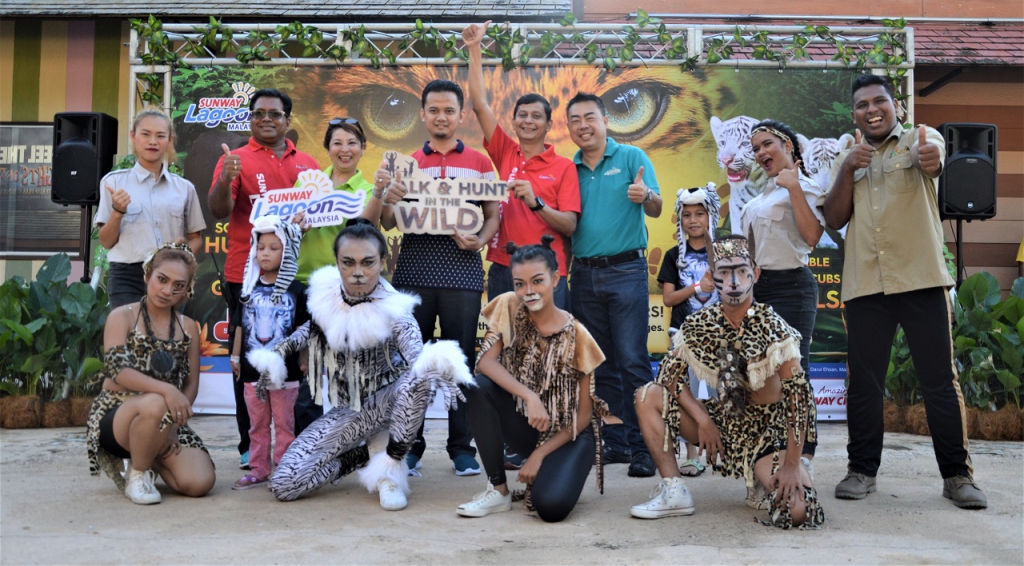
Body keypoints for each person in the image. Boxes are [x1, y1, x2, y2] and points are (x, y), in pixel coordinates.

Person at [822, 74, 986, 509]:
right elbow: (835, 218)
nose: (872, 110)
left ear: (896, 107)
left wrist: (928, 157)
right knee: (863, 385)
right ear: (854, 112)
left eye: (880, 102)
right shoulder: (846, 152)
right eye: (862, 105)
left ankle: (957, 477)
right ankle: (861, 472)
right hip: (865, 285)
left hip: (922, 279)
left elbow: (933, 159)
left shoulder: (920, 136)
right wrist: (847, 168)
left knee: (939, 382)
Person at [250, 220, 474, 510]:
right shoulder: (327, 294)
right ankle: (363, 456)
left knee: (418, 378)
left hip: (392, 404)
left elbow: (418, 359)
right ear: (337, 263)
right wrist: (277, 355)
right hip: (351, 411)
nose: (357, 272)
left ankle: (391, 464)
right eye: (348, 263)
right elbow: (311, 329)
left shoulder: (395, 309)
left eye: (367, 263)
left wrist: (437, 368)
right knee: (286, 484)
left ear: (382, 262)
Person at [632, 235, 824, 529]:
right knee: (647, 396)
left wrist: (791, 465)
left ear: (755, 274)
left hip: (768, 434)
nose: (733, 280)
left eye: (741, 270)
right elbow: (669, 377)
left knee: (797, 512)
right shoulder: (700, 323)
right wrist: (703, 419)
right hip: (722, 422)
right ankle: (674, 490)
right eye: (723, 272)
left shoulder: (775, 329)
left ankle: (775, 475)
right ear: (711, 277)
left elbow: (800, 402)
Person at [380, 79, 497, 477]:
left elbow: (493, 214)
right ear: (423, 114)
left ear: (461, 115)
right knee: (412, 365)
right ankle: (410, 446)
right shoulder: (407, 162)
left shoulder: (480, 162)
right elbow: (385, 220)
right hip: (413, 272)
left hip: (462, 274)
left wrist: (479, 241)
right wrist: (388, 198)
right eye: (434, 110)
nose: (441, 117)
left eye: (449, 110)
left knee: (458, 363)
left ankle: (461, 448)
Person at [457, 236, 609, 522]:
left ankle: (551, 472)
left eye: (537, 281)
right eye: (520, 284)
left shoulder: (579, 336)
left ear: (555, 279)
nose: (528, 291)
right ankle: (498, 489)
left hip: (570, 436)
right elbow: (485, 363)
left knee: (549, 508)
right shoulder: (509, 306)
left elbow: (584, 417)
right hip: (529, 421)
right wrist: (530, 396)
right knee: (478, 388)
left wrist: (539, 455)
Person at [208, 88, 320, 471]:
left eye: (274, 113)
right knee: (249, 367)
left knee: (298, 365)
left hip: (296, 278)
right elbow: (220, 211)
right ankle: (249, 446)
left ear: (288, 119)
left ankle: (295, 447)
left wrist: (310, 218)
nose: (266, 119)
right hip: (247, 277)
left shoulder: (307, 163)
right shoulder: (234, 160)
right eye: (258, 114)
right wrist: (225, 180)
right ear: (250, 119)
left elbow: (320, 214)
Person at [566, 92, 662, 478]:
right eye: (575, 119)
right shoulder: (567, 168)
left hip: (626, 272)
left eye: (590, 117)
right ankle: (618, 443)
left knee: (634, 362)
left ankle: (647, 447)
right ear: (569, 127)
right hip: (583, 274)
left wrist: (646, 195)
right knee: (600, 366)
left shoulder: (631, 158)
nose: (583, 125)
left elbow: (655, 207)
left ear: (605, 120)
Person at [461, 21, 580, 309]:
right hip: (505, 266)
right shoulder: (505, 152)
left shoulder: (564, 166)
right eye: (522, 115)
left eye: (536, 116)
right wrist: (474, 48)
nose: (528, 121)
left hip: (548, 271)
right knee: (505, 344)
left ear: (549, 125)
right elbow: (479, 104)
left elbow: (570, 224)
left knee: (549, 348)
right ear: (513, 122)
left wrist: (535, 202)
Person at [86, 242, 215, 505]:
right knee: (157, 401)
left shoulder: (188, 326)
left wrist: (174, 425)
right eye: (162, 280)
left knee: (200, 482)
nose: (168, 290)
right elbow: (118, 370)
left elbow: (191, 384)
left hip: (165, 418)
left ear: (186, 289)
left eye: (178, 285)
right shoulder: (122, 316)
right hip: (117, 415)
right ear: (147, 275)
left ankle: (148, 449)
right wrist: (167, 389)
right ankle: (137, 474)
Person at [742, 119, 823, 482]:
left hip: (792, 286)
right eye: (756, 148)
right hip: (757, 291)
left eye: (767, 144)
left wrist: (793, 189)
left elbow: (811, 236)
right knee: (760, 374)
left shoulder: (804, 185)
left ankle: (803, 454)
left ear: (788, 145)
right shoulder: (759, 195)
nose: (760, 153)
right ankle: (769, 451)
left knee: (794, 373)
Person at [96, 109, 206, 309]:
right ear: (133, 136)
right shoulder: (113, 182)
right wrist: (118, 212)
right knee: (131, 336)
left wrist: (181, 255)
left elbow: (196, 237)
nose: (152, 141)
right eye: (145, 134)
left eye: (160, 136)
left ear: (170, 140)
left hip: (170, 276)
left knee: (166, 336)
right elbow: (106, 241)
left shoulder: (184, 188)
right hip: (127, 276)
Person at [230, 216, 309, 490]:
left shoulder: (298, 290)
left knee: (286, 424)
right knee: (257, 425)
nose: (265, 253)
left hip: (285, 373)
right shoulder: (248, 288)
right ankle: (258, 469)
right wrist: (235, 357)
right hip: (253, 372)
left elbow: (302, 329)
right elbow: (240, 324)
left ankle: (284, 469)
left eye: (274, 247)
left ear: (287, 252)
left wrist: (304, 359)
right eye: (261, 247)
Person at [656, 184, 721, 477]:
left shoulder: (723, 252)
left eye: (700, 213)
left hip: (721, 333)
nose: (693, 220)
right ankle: (692, 454)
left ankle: (728, 447)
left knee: (724, 389)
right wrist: (697, 287)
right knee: (686, 393)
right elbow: (669, 298)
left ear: (712, 216)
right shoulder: (672, 256)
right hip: (683, 334)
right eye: (686, 215)